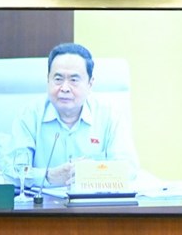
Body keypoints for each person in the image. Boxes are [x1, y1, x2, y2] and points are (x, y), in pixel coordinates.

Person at [12, 43, 139, 187]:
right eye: (58, 79)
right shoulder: (29, 115)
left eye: (74, 80)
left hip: (94, 200)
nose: (65, 88)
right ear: (48, 80)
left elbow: (129, 170)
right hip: (43, 200)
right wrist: (48, 176)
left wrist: (92, 174)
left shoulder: (109, 116)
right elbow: (11, 171)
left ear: (90, 84)